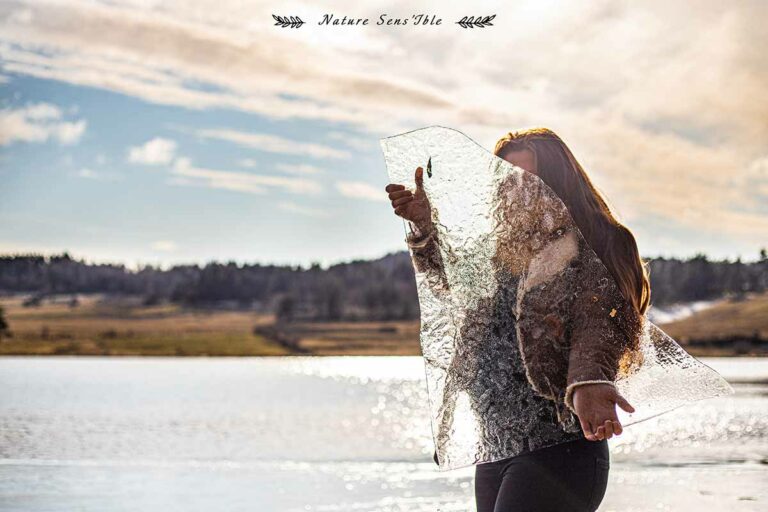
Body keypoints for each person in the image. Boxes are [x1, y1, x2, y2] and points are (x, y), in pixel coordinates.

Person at [384, 127, 651, 512]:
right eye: (506, 180)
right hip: (496, 443)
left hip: (560, 446)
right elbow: (455, 289)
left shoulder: (602, 238)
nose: (515, 190)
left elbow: (603, 319)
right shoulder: (503, 250)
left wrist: (589, 381)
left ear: (558, 183)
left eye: (528, 180)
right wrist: (425, 226)